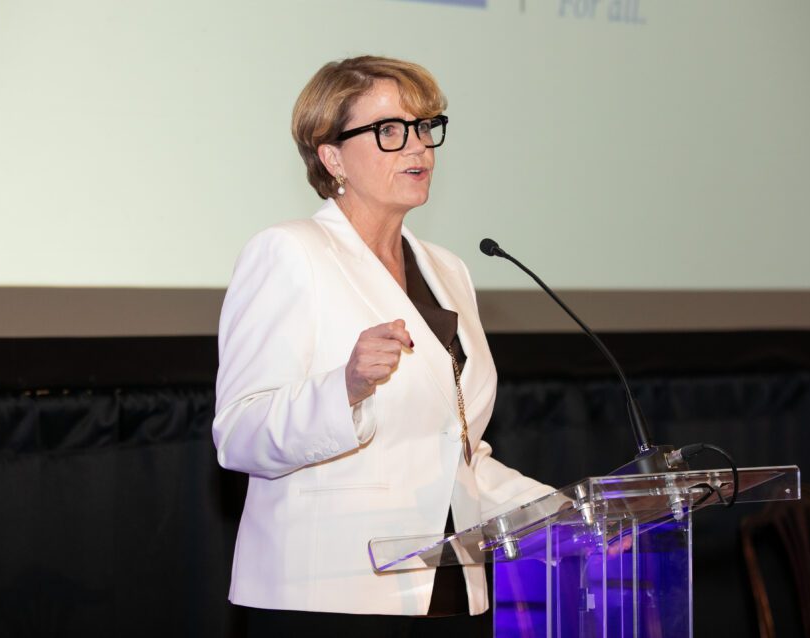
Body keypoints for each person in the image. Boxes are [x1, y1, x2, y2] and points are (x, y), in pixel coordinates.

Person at [212, 56, 556, 636]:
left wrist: (562, 517)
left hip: (448, 591)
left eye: (424, 127)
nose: (418, 147)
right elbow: (239, 434)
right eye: (390, 131)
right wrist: (343, 389)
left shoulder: (448, 270)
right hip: (329, 598)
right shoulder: (289, 253)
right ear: (332, 155)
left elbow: (456, 452)